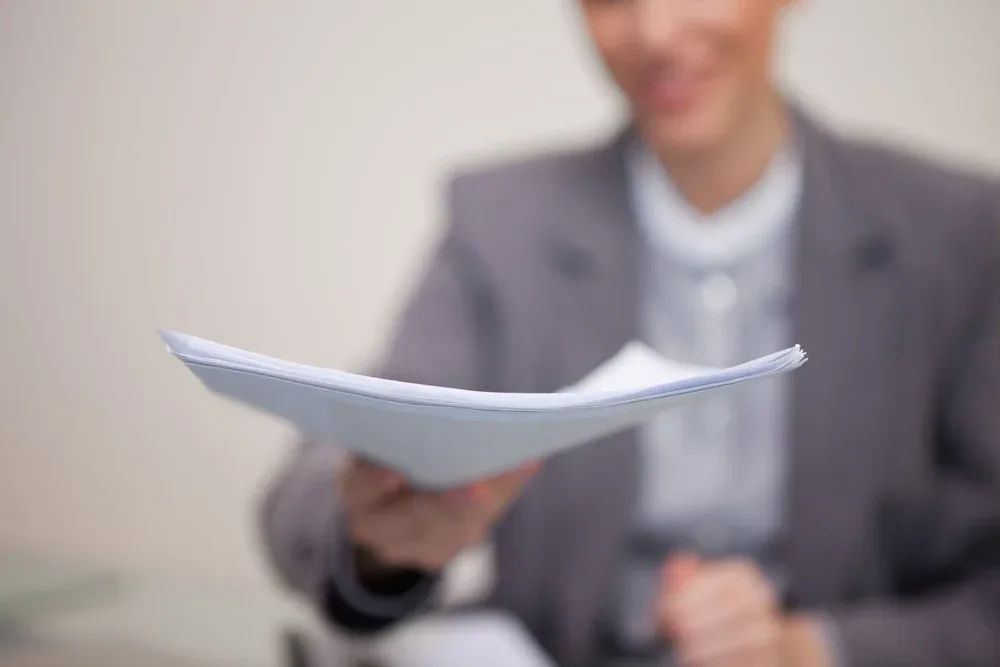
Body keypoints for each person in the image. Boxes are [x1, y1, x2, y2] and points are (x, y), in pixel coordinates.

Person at [260, 1, 1000, 665]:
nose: (655, 32)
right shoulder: (501, 221)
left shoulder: (960, 236)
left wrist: (815, 649)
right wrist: (379, 541)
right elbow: (327, 473)